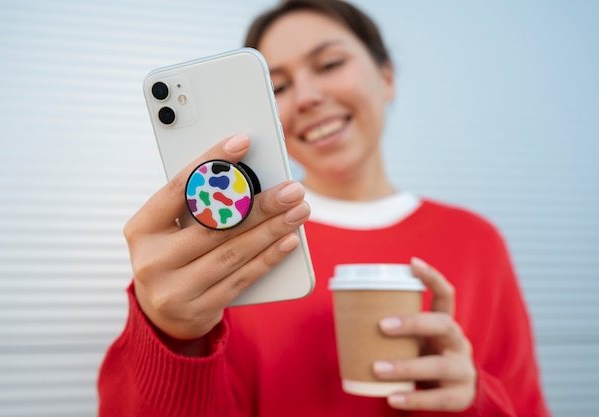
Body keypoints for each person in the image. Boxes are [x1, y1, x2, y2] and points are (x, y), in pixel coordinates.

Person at [98, 0, 551, 415]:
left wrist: (472, 402)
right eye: (277, 86)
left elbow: (525, 403)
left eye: (330, 63)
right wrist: (169, 336)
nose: (308, 96)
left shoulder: (475, 241)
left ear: (387, 76)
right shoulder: (231, 248)